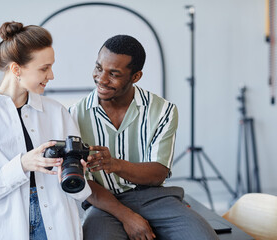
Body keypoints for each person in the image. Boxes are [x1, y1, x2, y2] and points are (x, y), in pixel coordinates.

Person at [69, 35, 218, 240]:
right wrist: (127, 216)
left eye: (114, 74)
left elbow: (158, 173)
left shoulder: (163, 111)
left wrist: (114, 164)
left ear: (136, 76)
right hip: (105, 204)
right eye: (98, 68)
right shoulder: (74, 115)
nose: (101, 79)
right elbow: (85, 184)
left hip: (156, 199)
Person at [0, 21, 91, 240]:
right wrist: (22, 164)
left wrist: (78, 171)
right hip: (6, 227)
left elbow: (80, 185)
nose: (52, 75)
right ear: (16, 69)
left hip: (57, 222)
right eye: (44, 68)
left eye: (51, 66)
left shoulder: (57, 112)